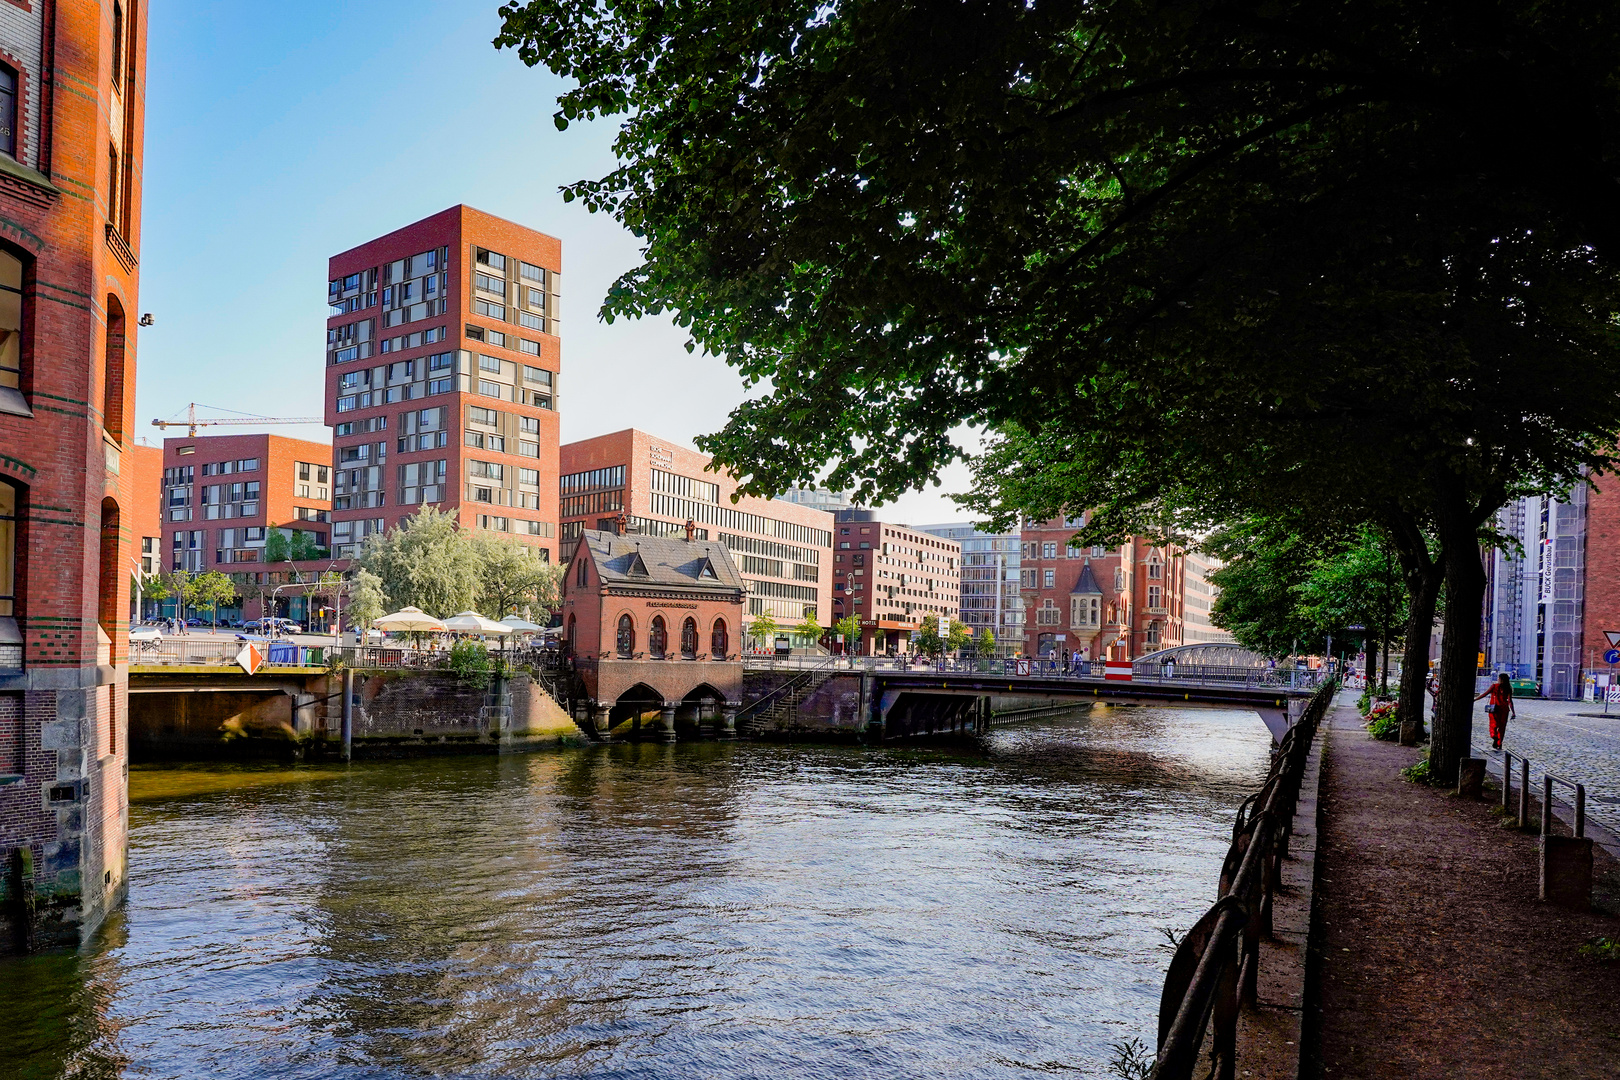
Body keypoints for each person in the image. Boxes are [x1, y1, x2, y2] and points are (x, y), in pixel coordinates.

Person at [1475, 671, 1516, 750]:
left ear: (1500, 679)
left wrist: (1475, 699)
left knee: (1493, 725)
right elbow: (1510, 701)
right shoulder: (1508, 688)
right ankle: (1499, 743)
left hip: (1494, 709)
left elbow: (1485, 694)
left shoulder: (1494, 686)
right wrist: (1513, 712)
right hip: (1504, 710)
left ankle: (1494, 737)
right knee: (1502, 727)